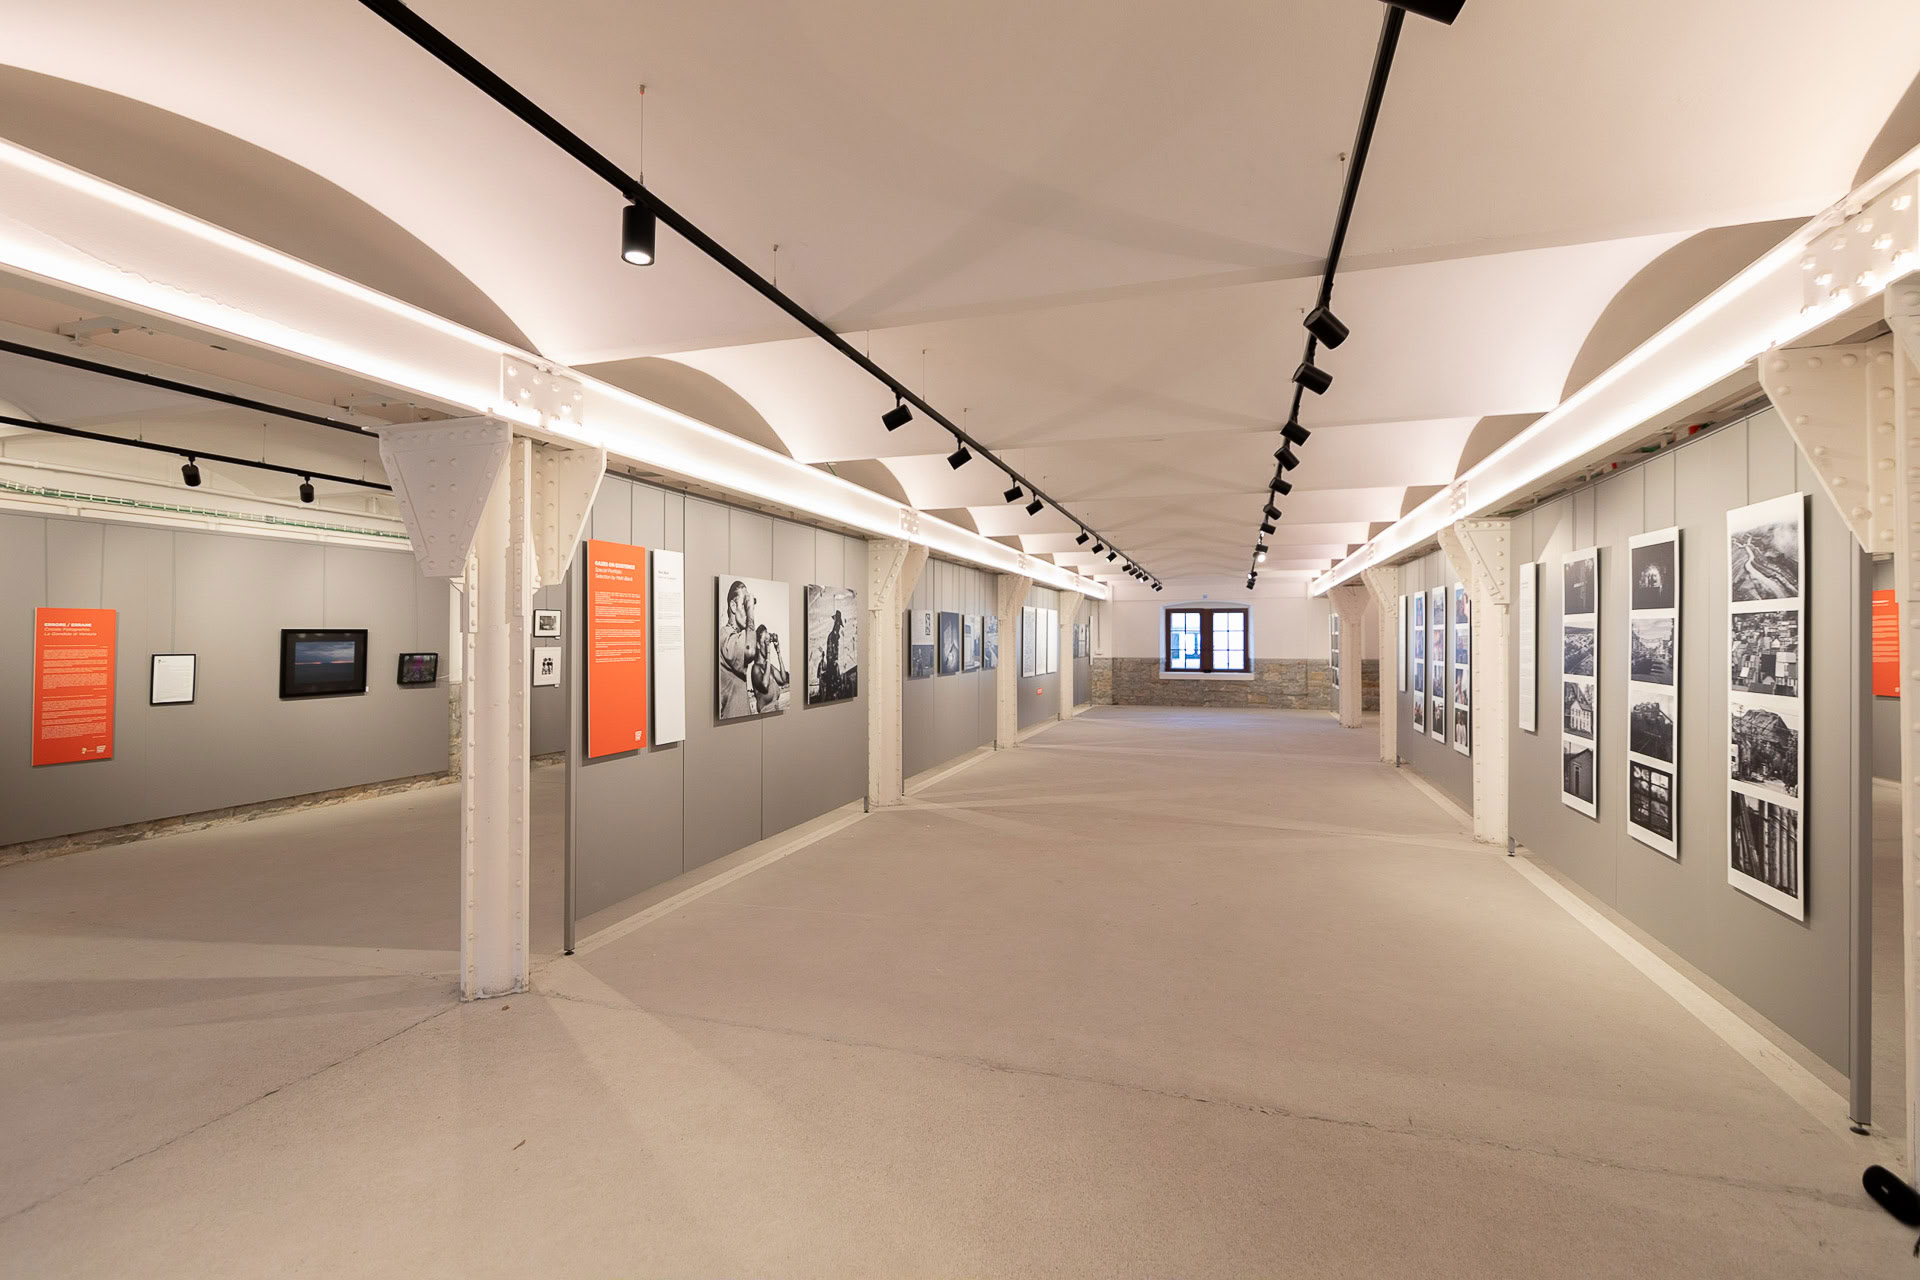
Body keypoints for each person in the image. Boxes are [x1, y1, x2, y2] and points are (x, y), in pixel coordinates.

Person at [718, 580, 757, 718]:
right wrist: (750, 610)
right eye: (744, 604)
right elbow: (750, 651)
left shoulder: (737, 637)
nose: (748, 609)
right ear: (733, 606)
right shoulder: (724, 636)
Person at [751, 623, 789, 711]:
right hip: (765, 714)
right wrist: (768, 653)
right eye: (764, 642)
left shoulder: (769, 667)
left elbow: (783, 680)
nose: (767, 645)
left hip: (777, 710)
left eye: (768, 642)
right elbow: (765, 685)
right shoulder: (755, 668)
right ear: (758, 645)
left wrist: (778, 651)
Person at [820, 609, 843, 700]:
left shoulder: (835, 635)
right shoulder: (832, 635)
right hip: (831, 661)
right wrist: (833, 660)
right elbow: (830, 650)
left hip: (832, 660)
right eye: (838, 624)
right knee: (832, 679)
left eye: (839, 625)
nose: (839, 627)